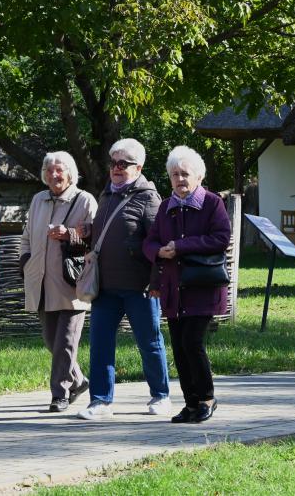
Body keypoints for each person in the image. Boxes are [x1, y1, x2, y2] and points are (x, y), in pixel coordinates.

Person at [76, 138, 171, 420]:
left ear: (138, 167)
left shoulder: (149, 198)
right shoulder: (106, 195)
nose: (116, 168)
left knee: (149, 341)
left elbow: (159, 245)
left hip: (139, 287)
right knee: (101, 343)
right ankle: (101, 401)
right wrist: (86, 233)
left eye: (123, 163)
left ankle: (161, 395)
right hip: (106, 286)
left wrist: (155, 283)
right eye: (113, 163)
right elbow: (106, 237)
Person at [143, 146, 231, 423]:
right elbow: (150, 241)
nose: (180, 179)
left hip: (202, 286)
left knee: (193, 342)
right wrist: (159, 252)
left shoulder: (212, 203)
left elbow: (221, 238)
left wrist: (180, 247)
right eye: (174, 174)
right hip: (173, 288)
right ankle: (190, 403)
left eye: (185, 174)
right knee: (179, 347)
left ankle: (206, 397)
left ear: (199, 176)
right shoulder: (166, 208)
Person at [20, 152, 98, 412]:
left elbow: (97, 238)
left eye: (59, 170)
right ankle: (79, 380)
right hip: (41, 282)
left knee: (65, 341)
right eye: (49, 170)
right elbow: (27, 235)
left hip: (72, 283)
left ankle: (60, 393)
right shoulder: (38, 200)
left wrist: (71, 235)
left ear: (70, 172)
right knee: (51, 340)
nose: (54, 175)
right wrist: (25, 260)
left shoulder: (85, 200)